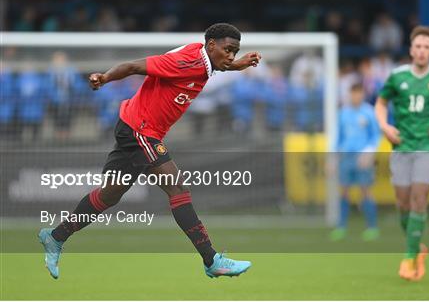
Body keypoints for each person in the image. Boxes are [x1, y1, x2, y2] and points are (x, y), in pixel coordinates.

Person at [38, 23, 262, 279]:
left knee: (110, 195)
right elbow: (134, 66)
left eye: (235, 51)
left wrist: (238, 64)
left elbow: (218, 64)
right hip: (140, 131)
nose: (231, 56)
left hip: (132, 125)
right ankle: (212, 260)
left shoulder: (204, 59)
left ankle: (55, 237)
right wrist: (105, 78)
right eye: (228, 50)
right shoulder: (187, 62)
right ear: (211, 45)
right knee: (177, 189)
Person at [374, 26, 429, 281]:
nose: (422, 51)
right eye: (418, 47)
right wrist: (385, 126)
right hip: (401, 145)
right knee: (403, 204)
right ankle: (417, 248)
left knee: (419, 198)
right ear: (411, 50)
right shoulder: (397, 76)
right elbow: (381, 103)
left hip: (428, 146)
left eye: (427, 47)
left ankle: (409, 258)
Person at [330, 83, 381, 242]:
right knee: (344, 191)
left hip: (362, 157)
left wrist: (368, 153)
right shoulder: (343, 113)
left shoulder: (369, 112)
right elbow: (338, 137)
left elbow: (376, 135)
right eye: (353, 93)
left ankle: (372, 227)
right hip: (346, 156)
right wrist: (333, 158)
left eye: (358, 93)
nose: (355, 96)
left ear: (363, 94)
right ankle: (341, 227)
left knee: (365, 191)